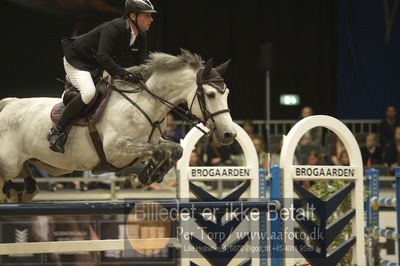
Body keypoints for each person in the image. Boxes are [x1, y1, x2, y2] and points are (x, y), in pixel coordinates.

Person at [48, 0, 156, 153]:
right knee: (89, 93)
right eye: (147, 16)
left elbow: (143, 63)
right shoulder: (115, 27)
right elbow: (103, 57)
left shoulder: (141, 36)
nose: (151, 20)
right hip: (77, 60)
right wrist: (124, 74)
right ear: (133, 16)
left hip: (95, 65)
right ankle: (57, 131)